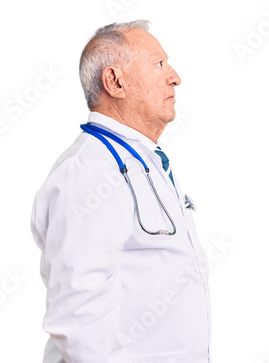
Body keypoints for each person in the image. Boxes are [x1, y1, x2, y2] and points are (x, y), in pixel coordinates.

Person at [30, 20, 212, 363]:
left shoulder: (143, 161)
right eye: (158, 64)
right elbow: (78, 318)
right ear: (115, 81)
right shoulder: (89, 171)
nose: (175, 77)